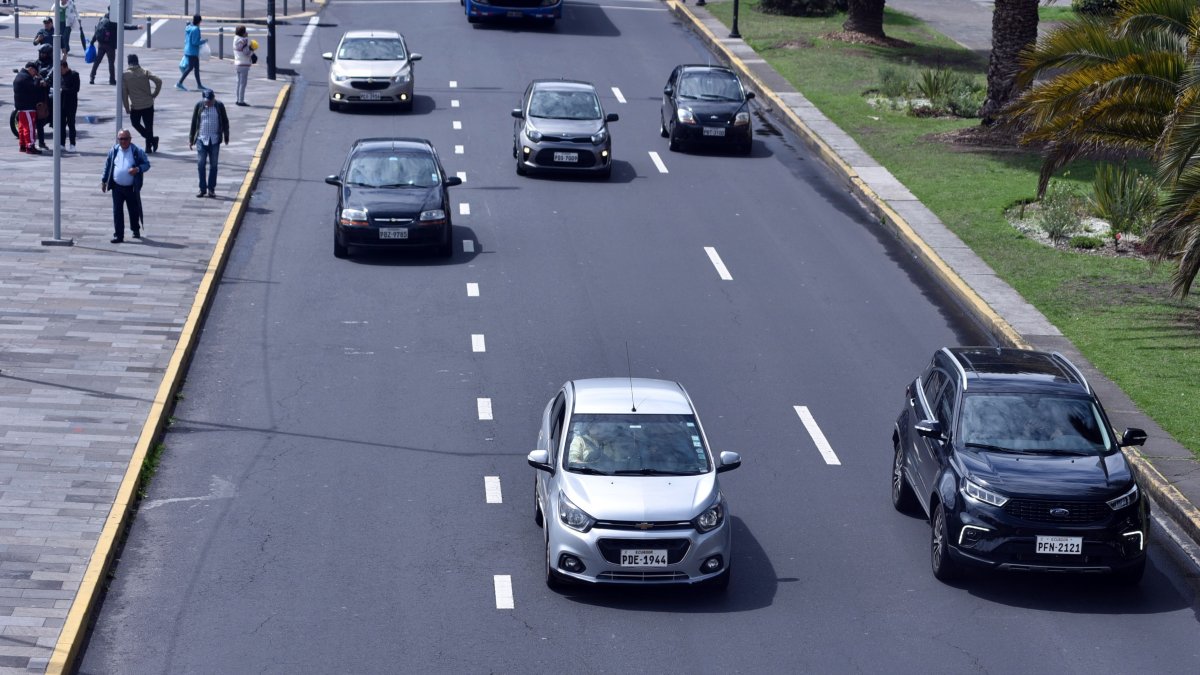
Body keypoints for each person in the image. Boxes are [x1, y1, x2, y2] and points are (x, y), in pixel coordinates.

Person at [101, 129, 150, 243]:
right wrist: (104, 181)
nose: (123, 141)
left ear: (130, 139)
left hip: (131, 188)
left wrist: (137, 169)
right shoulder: (114, 150)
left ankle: (135, 229)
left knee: (133, 210)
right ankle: (118, 235)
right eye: (120, 139)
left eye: (125, 139)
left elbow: (147, 164)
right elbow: (107, 165)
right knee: (117, 211)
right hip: (117, 187)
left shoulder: (137, 151)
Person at [189, 89, 229, 198]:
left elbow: (225, 121)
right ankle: (202, 189)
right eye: (206, 101)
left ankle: (211, 189)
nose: (208, 103)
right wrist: (191, 139)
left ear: (214, 98)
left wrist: (226, 136)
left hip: (215, 140)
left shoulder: (219, 106)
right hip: (201, 139)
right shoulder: (199, 106)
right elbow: (194, 122)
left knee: (214, 165)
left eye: (210, 100)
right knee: (201, 164)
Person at [123, 54, 162, 153]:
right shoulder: (145, 72)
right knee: (149, 126)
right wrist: (154, 94)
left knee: (135, 123)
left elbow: (124, 93)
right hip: (148, 104)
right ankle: (150, 144)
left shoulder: (125, 76)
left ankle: (151, 143)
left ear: (128, 62)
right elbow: (159, 81)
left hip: (136, 106)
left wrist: (126, 107)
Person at [13, 62, 44, 154]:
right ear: (30, 69)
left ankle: (23, 145)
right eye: (35, 72)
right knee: (30, 128)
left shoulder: (20, 75)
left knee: (22, 127)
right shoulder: (26, 78)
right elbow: (34, 88)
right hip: (28, 106)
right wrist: (38, 79)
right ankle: (30, 146)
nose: (35, 74)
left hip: (21, 107)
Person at [52, 59, 80, 151]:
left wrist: (63, 90)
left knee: (71, 124)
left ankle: (72, 144)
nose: (60, 72)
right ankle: (62, 143)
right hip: (61, 103)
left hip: (71, 103)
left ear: (65, 67)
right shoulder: (59, 76)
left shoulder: (74, 75)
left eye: (61, 69)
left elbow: (76, 89)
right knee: (61, 124)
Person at [175, 14, 207, 92]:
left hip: (189, 50)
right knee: (190, 68)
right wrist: (203, 41)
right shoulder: (196, 29)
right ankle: (179, 83)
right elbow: (195, 42)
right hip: (192, 52)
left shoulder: (189, 28)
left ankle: (199, 85)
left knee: (196, 68)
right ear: (199, 21)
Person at [90, 11, 118, 85]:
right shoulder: (114, 21)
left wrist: (92, 41)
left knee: (97, 62)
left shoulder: (102, 19)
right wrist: (136, 27)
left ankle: (92, 77)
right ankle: (112, 80)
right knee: (111, 63)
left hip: (101, 44)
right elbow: (123, 27)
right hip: (110, 46)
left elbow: (97, 31)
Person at [232, 25, 252, 106]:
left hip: (237, 63)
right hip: (243, 64)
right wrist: (252, 49)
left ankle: (238, 99)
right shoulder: (243, 41)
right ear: (243, 33)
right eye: (245, 31)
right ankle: (241, 101)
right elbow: (246, 52)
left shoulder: (235, 39)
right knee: (243, 84)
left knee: (239, 83)